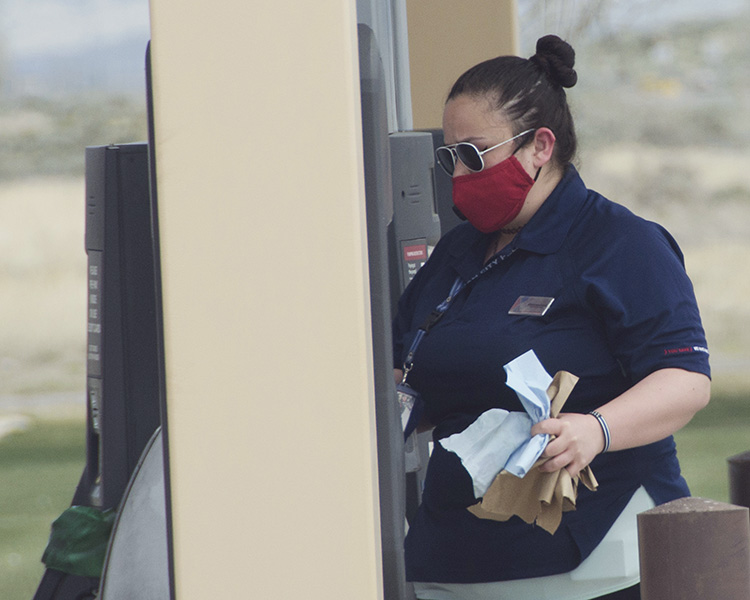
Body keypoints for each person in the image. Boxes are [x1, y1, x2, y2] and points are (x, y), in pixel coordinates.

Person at [392, 35, 711, 600]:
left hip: (592, 560)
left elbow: (684, 380)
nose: (459, 174)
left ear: (540, 146)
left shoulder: (620, 244)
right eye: (448, 156)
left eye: (473, 153)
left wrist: (596, 429)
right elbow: (407, 373)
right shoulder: (455, 254)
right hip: (453, 560)